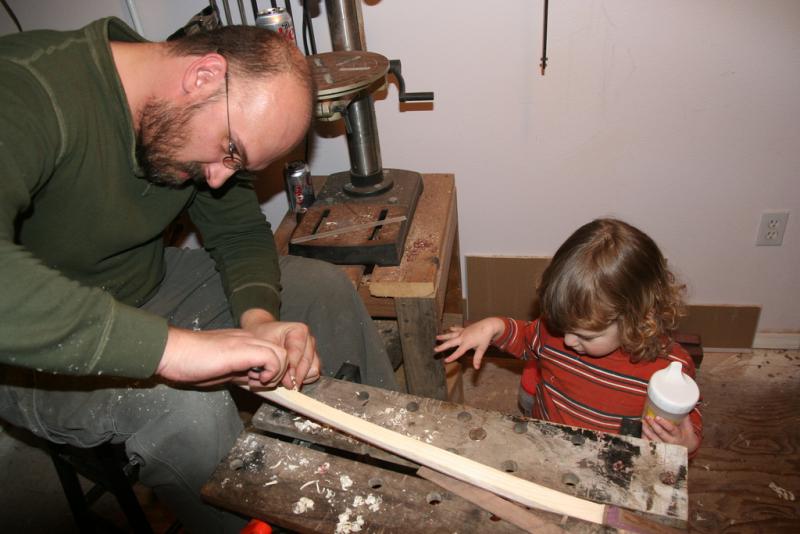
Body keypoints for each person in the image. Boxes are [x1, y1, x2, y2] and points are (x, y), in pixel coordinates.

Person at [0, 17, 396, 532]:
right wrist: (174, 351)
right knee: (188, 408)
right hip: (31, 345)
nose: (217, 178)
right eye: (231, 151)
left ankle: (384, 482)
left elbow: (238, 229)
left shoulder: (192, 114)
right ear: (203, 75)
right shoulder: (25, 88)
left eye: (238, 166)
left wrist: (257, 320)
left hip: (142, 282)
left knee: (323, 290)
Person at [435, 218, 702, 457]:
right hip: (548, 442)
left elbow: (685, 432)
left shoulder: (669, 372)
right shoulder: (555, 333)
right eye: (562, 327)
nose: (568, 341)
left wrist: (685, 443)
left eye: (585, 336)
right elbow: (527, 338)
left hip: (610, 459)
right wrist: (494, 327)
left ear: (637, 318)